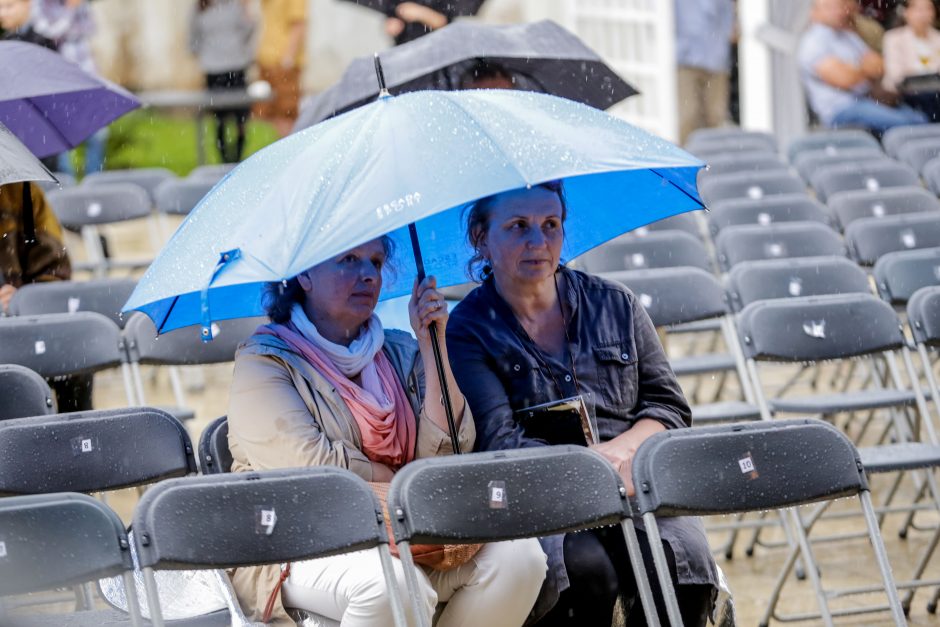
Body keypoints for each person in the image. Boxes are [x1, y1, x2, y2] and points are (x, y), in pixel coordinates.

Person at [227, 236, 547, 626]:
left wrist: (433, 347)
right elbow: (310, 475)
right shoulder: (263, 363)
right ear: (304, 274)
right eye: (348, 259)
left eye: (376, 263)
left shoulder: (400, 350)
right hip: (298, 544)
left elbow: (450, 458)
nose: (367, 275)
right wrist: (404, 483)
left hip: (410, 535)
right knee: (394, 586)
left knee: (520, 557)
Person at [445, 183, 718, 626]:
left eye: (550, 225)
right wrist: (589, 469)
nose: (539, 242)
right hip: (543, 498)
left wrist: (621, 453)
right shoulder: (468, 330)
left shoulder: (616, 304)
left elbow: (668, 407)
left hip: (636, 485)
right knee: (586, 574)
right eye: (518, 227)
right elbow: (498, 440)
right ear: (481, 237)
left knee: (674, 565)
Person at [0, 181, 93, 412]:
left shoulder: (21, 192)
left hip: (19, 325)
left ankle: (76, 441)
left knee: (75, 357)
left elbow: (56, 270)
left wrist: (24, 297)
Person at [798, 0, 928, 134]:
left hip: (870, 99)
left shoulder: (847, 35)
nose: (837, 12)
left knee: (921, 119)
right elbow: (844, 79)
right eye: (829, 7)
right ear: (813, 12)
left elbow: (881, 65)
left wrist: (855, 69)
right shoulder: (812, 43)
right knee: (910, 126)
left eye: (839, 6)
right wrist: (864, 68)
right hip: (841, 109)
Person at [33, 0, 108, 175]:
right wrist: (69, 10)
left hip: (86, 71)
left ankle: (94, 178)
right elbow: (50, 31)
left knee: (98, 131)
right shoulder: (42, 5)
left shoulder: (80, 4)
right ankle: (67, 182)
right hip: (58, 77)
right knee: (61, 131)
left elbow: (90, 28)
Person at [189, 0, 256, 163]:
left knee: (241, 117)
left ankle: (239, 157)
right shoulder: (199, 7)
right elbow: (192, 38)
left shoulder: (234, 4)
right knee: (220, 118)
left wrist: (247, 12)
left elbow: (248, 30)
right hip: (214, 70)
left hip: (237, 66)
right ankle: (224, 158)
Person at [674, 0, 735, 144]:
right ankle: (689, 162)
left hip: (716, 58)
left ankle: (714, 161)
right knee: (688, 117)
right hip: (684, 58)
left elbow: (728, 18)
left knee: (715, 117)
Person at [253, 0, 306, 137]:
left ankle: (290, 151)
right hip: (267, 60)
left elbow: (299, 24)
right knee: (269, 113)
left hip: (283, 63)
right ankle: (282, 149)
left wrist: (288, 58)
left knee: (286, 113)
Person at [882, 0, 940, 120]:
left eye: (928, 9)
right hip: (905, 94)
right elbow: (895, 74)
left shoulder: (937, 38)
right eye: (918, 9)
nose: (923, 14)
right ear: (906, 13)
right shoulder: (894, 38)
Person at [385, 0, 485, 46]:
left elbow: (443, 22)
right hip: (405, 49)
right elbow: (391, 16)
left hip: (436, 48)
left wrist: (419, 13)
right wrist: (393, 25)